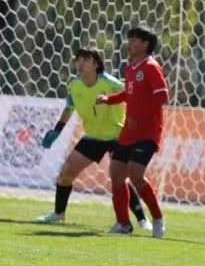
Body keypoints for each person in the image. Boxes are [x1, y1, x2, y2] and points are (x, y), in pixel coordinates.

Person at [33, 47, 150, 229]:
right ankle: (58, 214)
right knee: (65, 173)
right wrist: (56, 131)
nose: (80, 63)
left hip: (118, 137)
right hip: (93, 137)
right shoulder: (74, 86)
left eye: (85, 59)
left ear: (96, 63)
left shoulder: (111, 84)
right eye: (78, 59)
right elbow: (69, 109)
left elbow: (132, 98)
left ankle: (142, 220)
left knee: (120, 178)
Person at [97, 26, 169, 237]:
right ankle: (123, 223)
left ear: (146, 44)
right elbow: (128, 94)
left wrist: (140, 117)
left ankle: (157, 218)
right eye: (130, 39)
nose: (130, 43)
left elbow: (162, 96)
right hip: (128, 133)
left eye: (135, 40)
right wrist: (109, 99)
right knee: (116, 174)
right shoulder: (131, 68)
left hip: (147, 133)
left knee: (136, 176)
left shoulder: (151, 67)